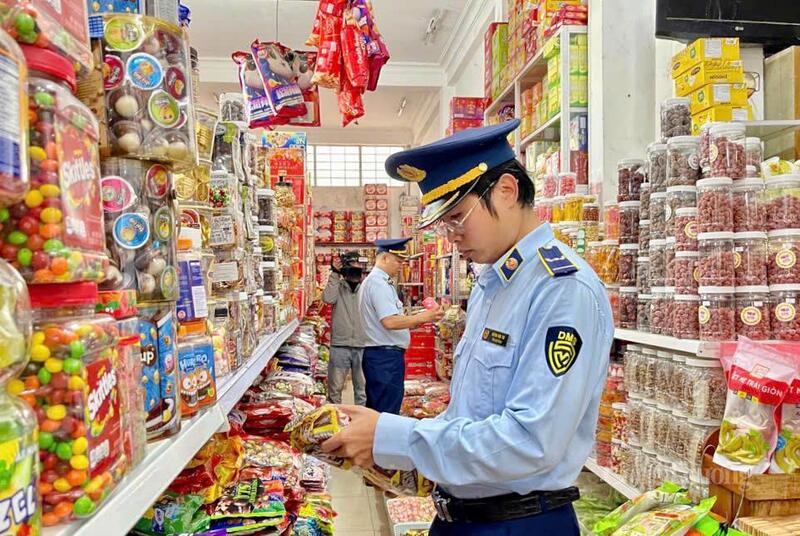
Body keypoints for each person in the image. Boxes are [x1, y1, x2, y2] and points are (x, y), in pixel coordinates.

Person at [322, 119, 614, 535]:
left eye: (458, 217)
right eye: (444, 223)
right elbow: (470, 413)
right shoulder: (492, 284)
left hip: (518, 524)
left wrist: (393, 437)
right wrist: (394, 453)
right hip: (460, 517)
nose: (452, 236)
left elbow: (531, 441)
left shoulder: (561, 289)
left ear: (507, 191)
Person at [357, 238, 444, 414]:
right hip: (385, 358)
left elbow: (392, 320)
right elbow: (390, 321)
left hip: (383, 356)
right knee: (386, 411)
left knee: (381, 409)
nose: (401, 266)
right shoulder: (378, 284)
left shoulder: (380, 282)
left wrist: (416, 321)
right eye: (398, 261)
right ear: (384, 258)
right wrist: (424, 316)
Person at [322, 251, 367, 406]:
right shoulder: (338, 287)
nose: (356, 268)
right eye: (353, 265)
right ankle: (336, 419)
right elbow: (328, 299)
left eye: (359, 265)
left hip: (363, 345)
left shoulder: (367, 288)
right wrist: (335, 273)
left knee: (362, 391)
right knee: (335, 391)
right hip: (340, 346)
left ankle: (360, 420)